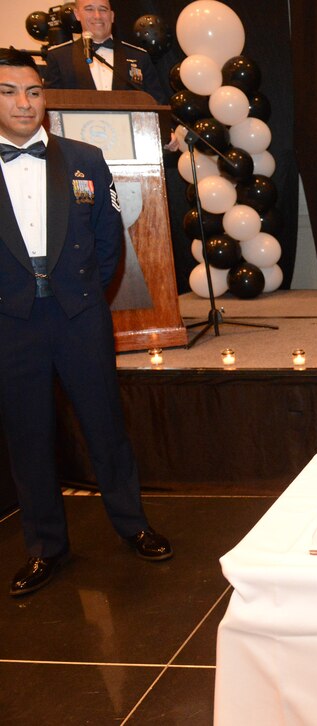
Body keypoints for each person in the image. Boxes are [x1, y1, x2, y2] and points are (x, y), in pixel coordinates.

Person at [0, 49, 172, 598]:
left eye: (32, 91)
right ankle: (45, 547)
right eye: (8, 92)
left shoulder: (85, 158)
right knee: (29, 437)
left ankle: (133, 524)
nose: (24, 103)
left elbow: (107, 239)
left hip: (78, 315)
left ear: (44, 98)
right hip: (11, 323)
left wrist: (83, 297)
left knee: (105, 426)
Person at [42, 0, 169, 104]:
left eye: (103, 9)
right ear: (77, 14)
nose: (97, 16)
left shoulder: (139, 56)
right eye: (89, 9)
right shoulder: (59, 57)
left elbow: (157, 104)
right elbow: (51, 107)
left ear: (112, 16)